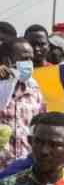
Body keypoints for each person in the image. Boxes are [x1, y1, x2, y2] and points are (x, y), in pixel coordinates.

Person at [0, 38, 46, 168]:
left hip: (24, 171)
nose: (30, 64)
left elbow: (39, 126)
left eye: (31, 59)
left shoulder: (34, 90)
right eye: (25, 59)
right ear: (6, 61)